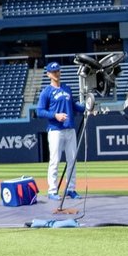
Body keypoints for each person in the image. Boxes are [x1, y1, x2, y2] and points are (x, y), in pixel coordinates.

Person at [36, 61, 80, 197]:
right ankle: (52, 190)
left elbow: (74, 106)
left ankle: (70, 189)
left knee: (72, 160)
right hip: (55, 129)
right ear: (48, 74)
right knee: (55, 160)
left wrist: (87, 106)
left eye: (58, 71)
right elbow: (39, 111)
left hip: (70, 128)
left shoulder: (67, 88)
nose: (56, 73)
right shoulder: (46, 92)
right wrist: (55, 115)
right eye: (53, 71)